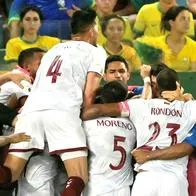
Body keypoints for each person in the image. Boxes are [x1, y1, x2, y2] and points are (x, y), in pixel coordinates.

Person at [0, 8, 105, 196]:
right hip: (62, 113)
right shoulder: (96, 51)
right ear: (92, 29)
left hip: (30, 114)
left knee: (9, 173)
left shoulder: (52, 50)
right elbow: (90, 91)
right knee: (78, 177)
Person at [81, 68, 196, 196]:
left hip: (145, 179)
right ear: (178, 86)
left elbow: (98, 111)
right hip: (174, 179)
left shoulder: (140, 106)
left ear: (156, 88)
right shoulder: (190, 108)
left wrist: (75, 118)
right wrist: (184, 98)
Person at [83, 80, 136, 196]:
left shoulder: (88, 125)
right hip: (123, 189)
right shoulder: (133, 126)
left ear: (102, 98)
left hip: (96, 187)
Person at [135, 6, 196, 71]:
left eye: (189, 19)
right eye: (182, 19)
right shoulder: (155, 44)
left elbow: (193, 76)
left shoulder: (194, 46)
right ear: (171, 22)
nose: (187, 22)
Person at [8, 0, 93, 39]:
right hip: (38, 49)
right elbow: (14, 25)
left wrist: (81, 16)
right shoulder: (21, 1)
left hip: (70, 46)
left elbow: (97, 11)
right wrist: (16, 50)